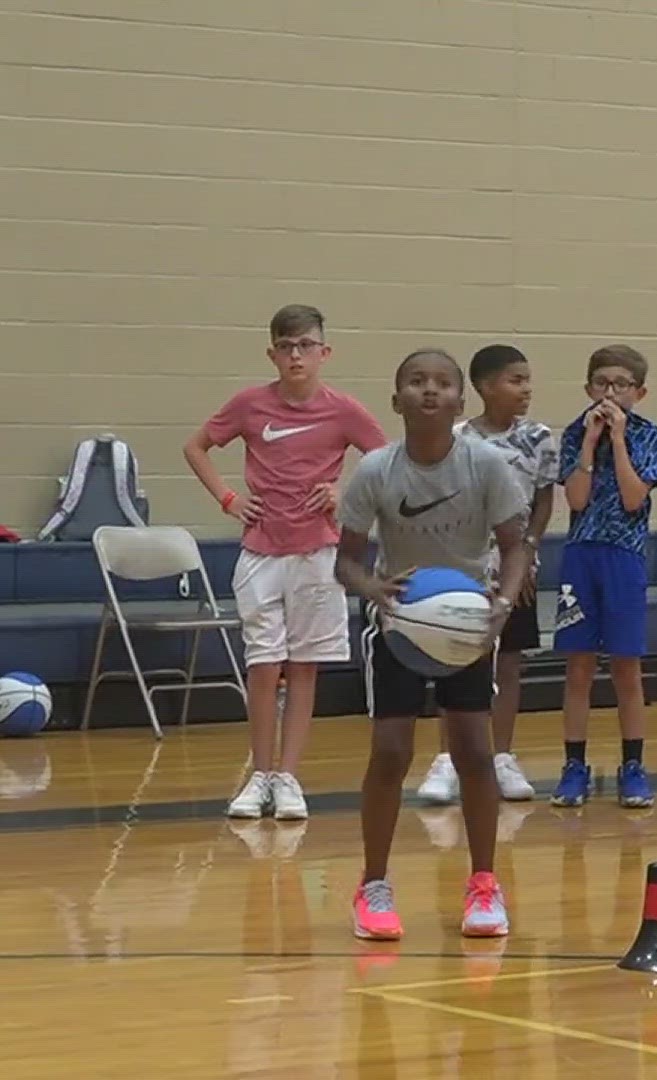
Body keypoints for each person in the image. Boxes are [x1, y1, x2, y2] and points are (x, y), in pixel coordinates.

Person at [334, 347, 529, 941]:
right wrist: (373, 587)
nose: (429, 391)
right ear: (396, 400)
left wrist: (501, 603)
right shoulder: (376, 471)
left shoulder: (486, 465)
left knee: (475, 751)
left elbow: (516, 545)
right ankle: (373, 885)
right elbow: (346, 561)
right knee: (391, 752)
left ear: (459, 402)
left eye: (442, 383)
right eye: (415, 381)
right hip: (398, 624)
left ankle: (484, 885)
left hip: (465, 624)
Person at [185, 304, 386, 821]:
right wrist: (228, 499)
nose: (296, 356)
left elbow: (386, 459)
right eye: (285, 346)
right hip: (261, 551)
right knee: (263, 664)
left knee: (303, 667)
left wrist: (344, 491)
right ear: (272, 352)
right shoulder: (250, 405)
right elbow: (197, 446)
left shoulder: (342, 410)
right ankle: (260, 774)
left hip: (318, 553)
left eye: (306, 346)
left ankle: (289, 777)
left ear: (324, 352)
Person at [416, 344, 557, 805]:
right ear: (483, 387)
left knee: (510, 662)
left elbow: (541, 501)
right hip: (466, 567)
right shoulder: (457, 440)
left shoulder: (538, 439)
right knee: (457, 659)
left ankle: (502, 757)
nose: (526, 389)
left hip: (516, 569)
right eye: (515, 381)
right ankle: (446, 760)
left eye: (528, 380)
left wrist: (529, 551)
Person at [550, 345, 657, 808]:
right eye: (602, 384)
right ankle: (574, 765)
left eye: (620, 385)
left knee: (626, 667)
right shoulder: (576, 434)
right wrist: (592, 443)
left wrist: (618, 441)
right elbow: (576, 500)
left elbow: (634, 498)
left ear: (639, 392)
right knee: (578, 666)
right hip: (581, 555)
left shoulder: (649, 435)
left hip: (625, 556)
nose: (610, 393)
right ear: (588, 388)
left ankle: (633, 766)